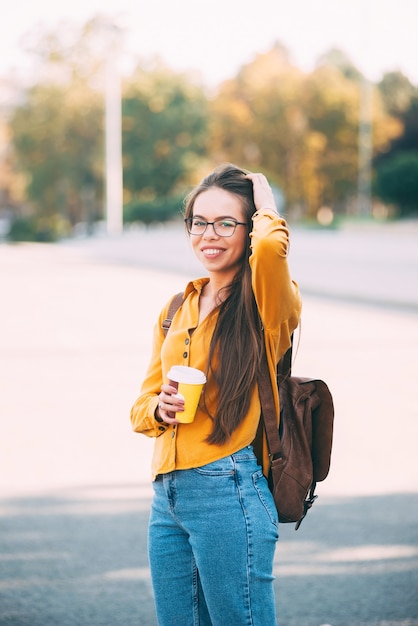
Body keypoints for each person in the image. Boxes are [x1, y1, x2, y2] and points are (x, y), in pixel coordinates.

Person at [130, 163, 301, 626]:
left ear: (247, 230)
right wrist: (158, 408)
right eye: (199, 222)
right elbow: (140, 407)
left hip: (228, 489)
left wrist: (266, 203)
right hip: (167, 496)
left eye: (227, 222)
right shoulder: (176, 306)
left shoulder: (269, 303)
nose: (210, 234)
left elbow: (269, 249)